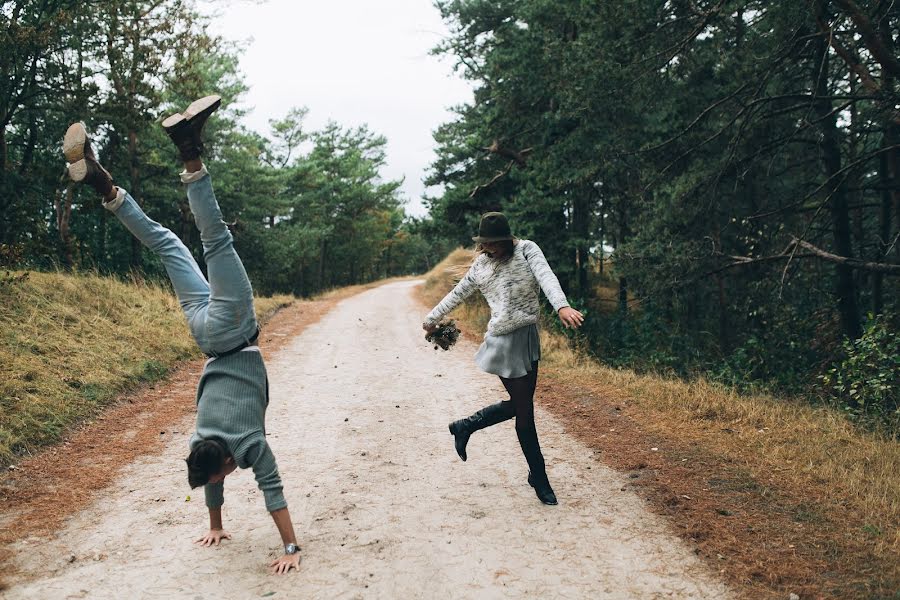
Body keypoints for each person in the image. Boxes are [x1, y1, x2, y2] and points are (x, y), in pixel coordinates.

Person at [63, 95, 301, 574]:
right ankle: (103, 184)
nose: (221, 479)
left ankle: (188, 147)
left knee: (216, 240)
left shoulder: (247, 445)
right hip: (204, 336)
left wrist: (290, 550)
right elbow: (211, 474)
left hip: (232, 329)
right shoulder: (201, 441)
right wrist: (214, 521)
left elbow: (270, 489)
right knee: (168, 242)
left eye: (219, 475)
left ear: (220, 460)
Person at [423, 212, 584, 505]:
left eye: (495, 244)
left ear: (507, 239)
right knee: (524, 411)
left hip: (528, 336)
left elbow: (546, 276)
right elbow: (457, 294)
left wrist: (561, 306)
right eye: (485, 244)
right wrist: (430, 319)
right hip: (503, 340)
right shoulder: (482, 265)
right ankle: (540, 479)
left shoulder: (526, 250)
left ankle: (466, 426)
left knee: (522, 406)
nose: (490, 249)